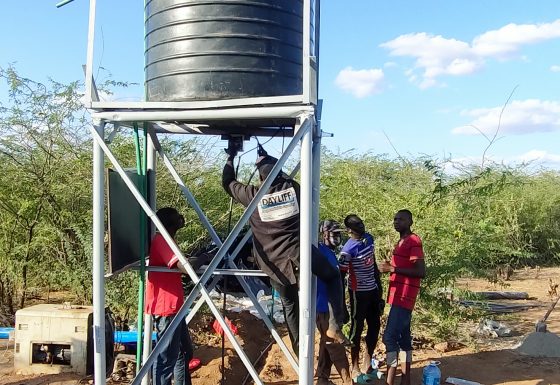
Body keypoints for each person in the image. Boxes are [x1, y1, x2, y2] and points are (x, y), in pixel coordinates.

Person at [222, 147, 349, 353]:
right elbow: (293, 181)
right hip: (299, 253)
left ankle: (300, 353)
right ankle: (335, 325)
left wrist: (230, 157)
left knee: (290, 305)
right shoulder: (294, 190)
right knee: (332, 276)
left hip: (272, 262)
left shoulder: (252, 195)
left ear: (261, 177)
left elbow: (227, 182)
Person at [145, 207, 193, 385]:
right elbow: (185, 267)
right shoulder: (161, 241)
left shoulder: (168, 239)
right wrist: (203, 258)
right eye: (177, 219)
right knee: (166, 360)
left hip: (174, 307)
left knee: (184, 352)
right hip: (166, 308)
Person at [378, 209, 426, 385]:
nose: (396, 222)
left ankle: (390, 381)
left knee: (389, 338)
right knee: (404, 339)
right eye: (395, 219)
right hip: (399, 296)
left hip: (404, 297)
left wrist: (393, 269)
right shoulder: (402, 241)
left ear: (410, 221)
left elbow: (421, 271)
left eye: (401, 219)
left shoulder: (413, 240)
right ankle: (406, 380)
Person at [339, 214, 383, 384]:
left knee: (375, 326)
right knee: (356, 330)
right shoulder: (347, 250)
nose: (361, 226)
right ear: (349, 230)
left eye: (361, 222)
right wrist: (342, 303)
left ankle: (367, 365)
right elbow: (341, 277)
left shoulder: (369, 239)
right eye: (357, 225)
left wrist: (379, 292)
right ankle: (355, 367)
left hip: (372, 290)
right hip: (358, 293)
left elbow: (373, 266)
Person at [316, 220, 353, 385]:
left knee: (326, 343)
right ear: (325, 234)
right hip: (324, 307)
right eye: (334, 233)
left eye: (339, 234)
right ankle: (347, 380)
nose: (338, 237)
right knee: (335, 343)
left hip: (332, 307)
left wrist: (342, 309)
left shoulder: (330, 254)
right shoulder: (320, 252)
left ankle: (322, 378)